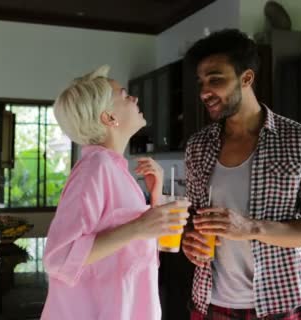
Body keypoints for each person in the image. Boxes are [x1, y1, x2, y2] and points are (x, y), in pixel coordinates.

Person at [181, 29, 301, 320]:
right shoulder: (197, 146)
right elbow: (193, 218)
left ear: (246, 78)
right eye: (201, 82)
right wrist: (190, 239)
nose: (205, 92)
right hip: (210, 303)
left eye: (215, 79)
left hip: (279, 306)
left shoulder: (299, 141)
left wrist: (252, 227)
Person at [41, 65, 190, 320]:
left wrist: (154, 202)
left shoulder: (112, 167)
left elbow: (125, 245)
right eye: (124, 95)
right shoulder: (95, 168)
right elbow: (59, 258)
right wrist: (140, 226)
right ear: (109, 117)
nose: (134, 98)